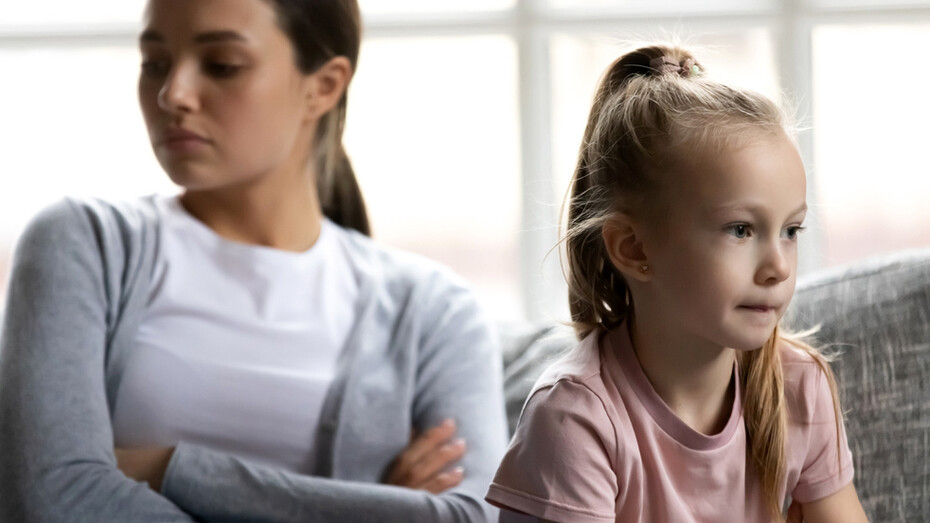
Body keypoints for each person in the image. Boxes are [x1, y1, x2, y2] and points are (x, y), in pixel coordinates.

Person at [0, 0, 507, 521]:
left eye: (221, 65)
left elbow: (474, 517)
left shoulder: (435, 312)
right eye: (155, 62)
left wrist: (170, 469)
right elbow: (51, 500)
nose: (172, 93)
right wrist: (367, 506)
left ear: (324, 86)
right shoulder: (81, 244)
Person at [485, 45, 869, 522]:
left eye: (791, 231)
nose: (779, 266)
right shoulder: (575, 419)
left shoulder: (799, 385)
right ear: (634, 249)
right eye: (740, 230)